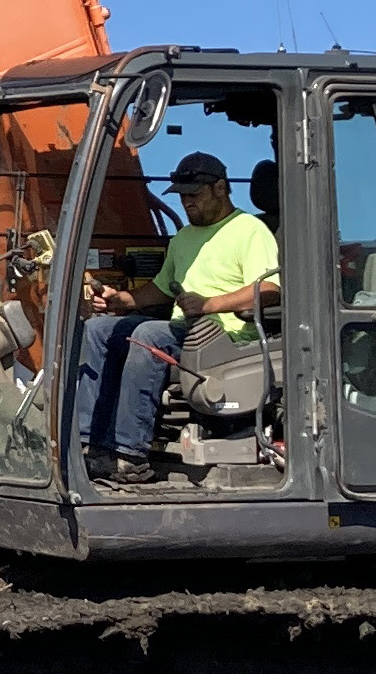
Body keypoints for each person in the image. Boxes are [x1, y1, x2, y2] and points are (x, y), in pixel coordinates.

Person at [72, 151, 281, 483]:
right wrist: (120, 301)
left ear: (220, 188)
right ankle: (90, 444)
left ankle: (129, 454)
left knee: (149, 336)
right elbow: (159, 290)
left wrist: (208, 304)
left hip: (225, 333)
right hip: (184, 327)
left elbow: (269, 290)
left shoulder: (250, 230)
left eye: (194, 195)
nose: (187, 204)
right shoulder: (184, 237)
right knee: (98, 329)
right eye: (182, 197)